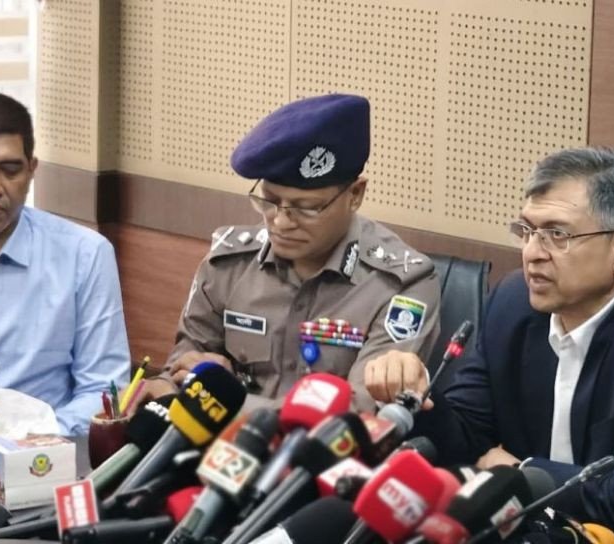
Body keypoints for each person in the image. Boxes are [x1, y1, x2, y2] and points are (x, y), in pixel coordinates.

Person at [366, 147, 614, 541]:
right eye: (526, 231)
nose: (532, 253)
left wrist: (519, 472)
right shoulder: (514, 303)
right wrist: (414, 397)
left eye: (557, 235)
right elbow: (468, 436)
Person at [145, 94, 440, 410]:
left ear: (355, 194)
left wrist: (225, 400)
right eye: (270, 201)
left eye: (307, 208)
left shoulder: (402, 284)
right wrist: (174, 382)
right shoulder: (229, 264)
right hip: (218, 440)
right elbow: (181, 369)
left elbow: (361, 412)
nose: (281, 222)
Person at [0, 91, 129, 435]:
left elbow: (103, 391)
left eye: (10, 170)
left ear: (31, 171)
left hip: (34, 452)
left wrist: (27, 441)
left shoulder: (84, 255)